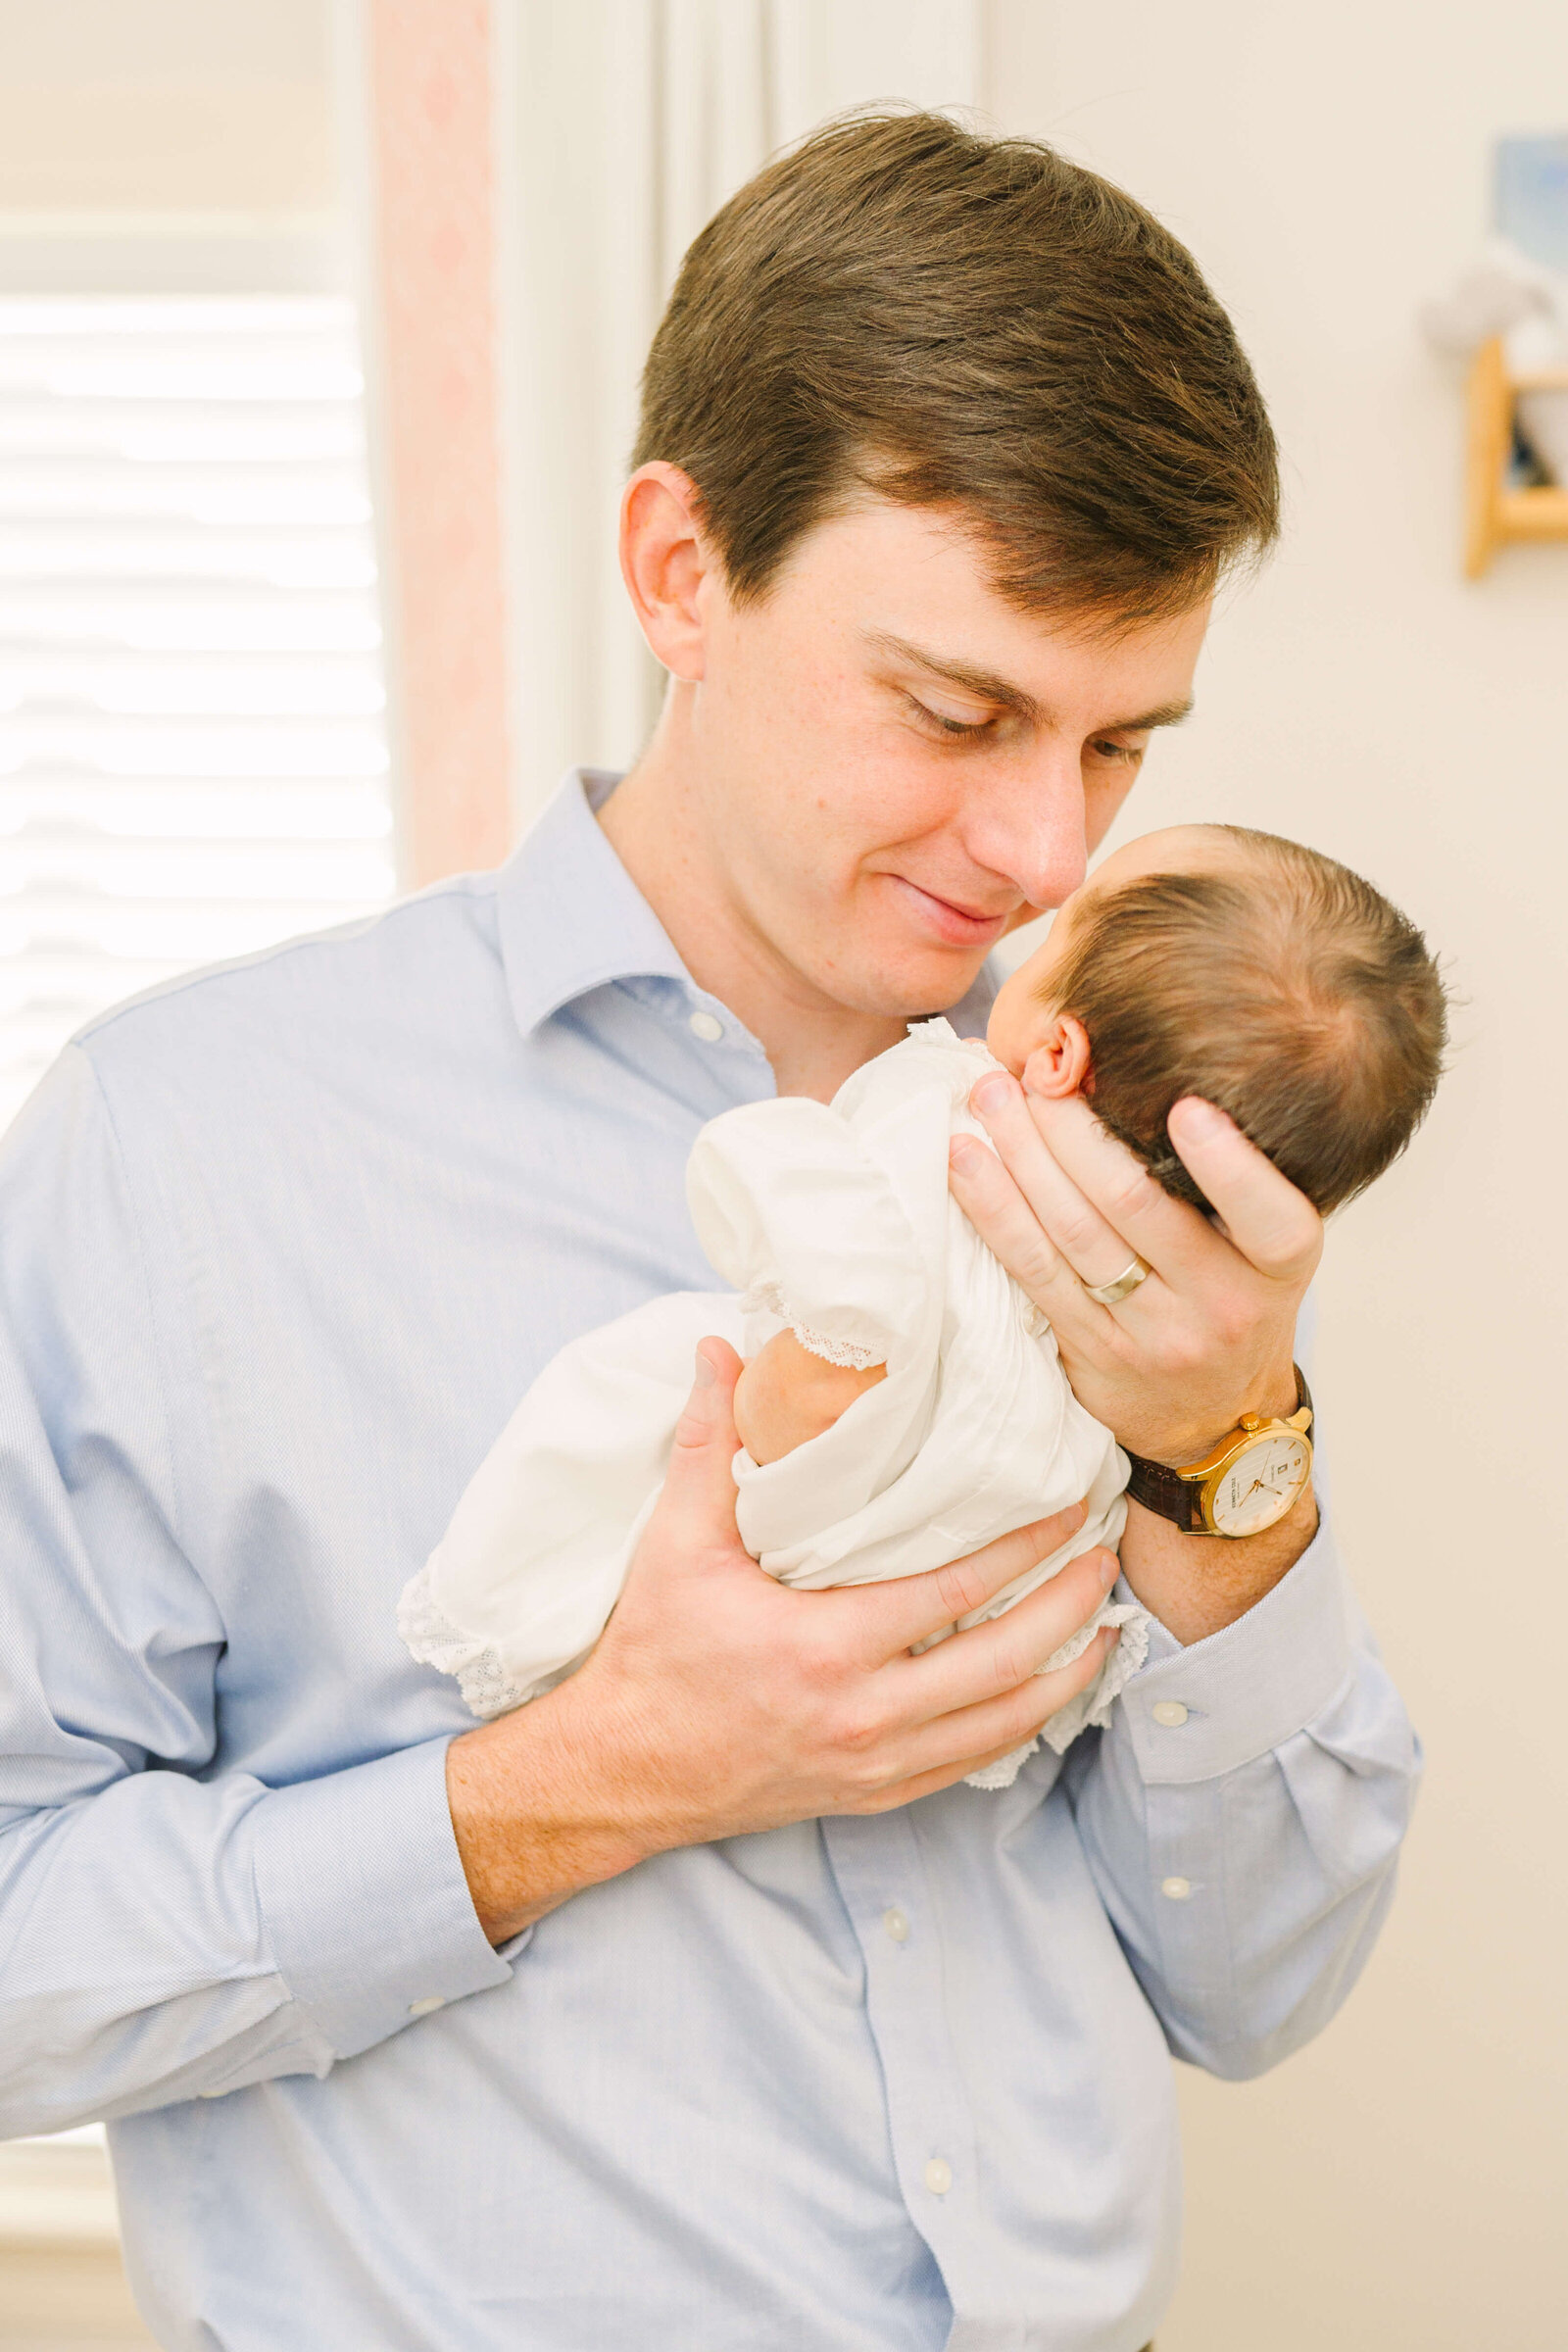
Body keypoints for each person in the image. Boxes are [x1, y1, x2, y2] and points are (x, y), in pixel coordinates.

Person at [0, 116, 1421, 2352]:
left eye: (1116, 743)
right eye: (955, 709)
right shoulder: (183, 1150)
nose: (1044, 846)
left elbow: (1252, 1983)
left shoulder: (1120, 1166)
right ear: (679, 565)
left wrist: (1228, 1452)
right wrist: (575, 1779)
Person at [400, 822, 1445, 1795]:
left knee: (635, 1379)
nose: (1047, 868)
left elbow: (834, 1301)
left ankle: (522, 1612)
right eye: (953, 714)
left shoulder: (952, 1113)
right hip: (996, 1608)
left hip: (813, 1464)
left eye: (1117, 745)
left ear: (1057, 1054)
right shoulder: (1194, 1287)